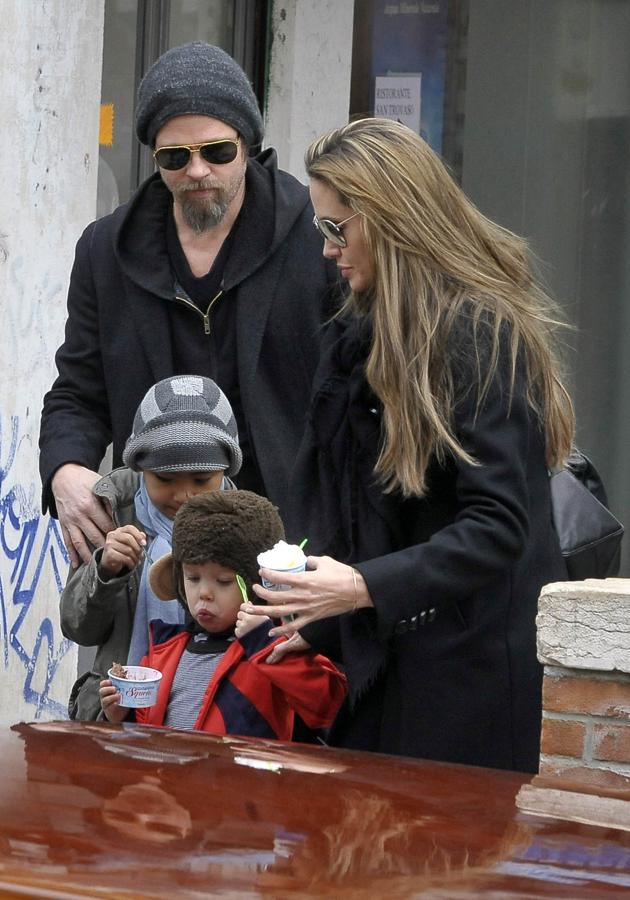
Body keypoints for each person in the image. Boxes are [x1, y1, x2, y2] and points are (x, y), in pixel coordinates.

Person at [243, 118, 576, 773]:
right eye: (320, 229)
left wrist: (359, 588)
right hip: (391, 665)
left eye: (337, 228)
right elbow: (367, 512)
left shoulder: (480, 333)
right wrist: (321, 615)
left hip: (471, 681)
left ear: (389, 220)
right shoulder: (363, 332)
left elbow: (499, 525)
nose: (327, 250)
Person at [39, 41, 338, 568]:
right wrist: (64, 469)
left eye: (217, 151)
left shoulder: (318, 237)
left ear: (247, 143)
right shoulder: (106, 250)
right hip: (158, 548)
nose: (197, 171)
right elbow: (78, 390)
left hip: (294, 544)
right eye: (175, 157)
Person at [60, 374, 241, 721]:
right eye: (165, 479)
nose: (184, 494)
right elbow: (78, 628)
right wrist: (105, 571)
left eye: (202, 479)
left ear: (226, 469)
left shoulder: (243, 523)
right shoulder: (111, 511)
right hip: (117, 712)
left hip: (207, 717)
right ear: (140, 467)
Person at [99, 490, 347, 739]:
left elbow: (327, 707)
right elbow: (145, 730)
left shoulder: (280, 645)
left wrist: (263, 643)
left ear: (259, 582)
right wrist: (122, 714)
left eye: (224, 581)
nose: (204, 593)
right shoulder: (163, 650)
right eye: (192, 578)